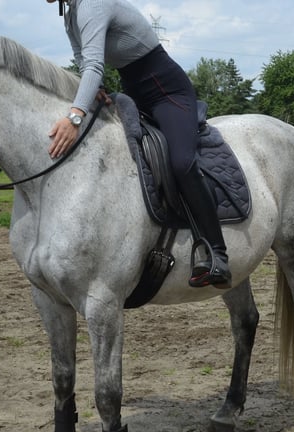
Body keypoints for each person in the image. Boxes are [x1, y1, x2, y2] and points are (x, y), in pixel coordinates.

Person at [45, 0, 232, 289]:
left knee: (181, 163)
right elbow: (85, 62)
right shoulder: (71, 16)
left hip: (167, 92)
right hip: (133, 93)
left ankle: (216, 251)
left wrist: (75, 116)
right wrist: (99, 91)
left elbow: (95, 64)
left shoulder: (92, 4)